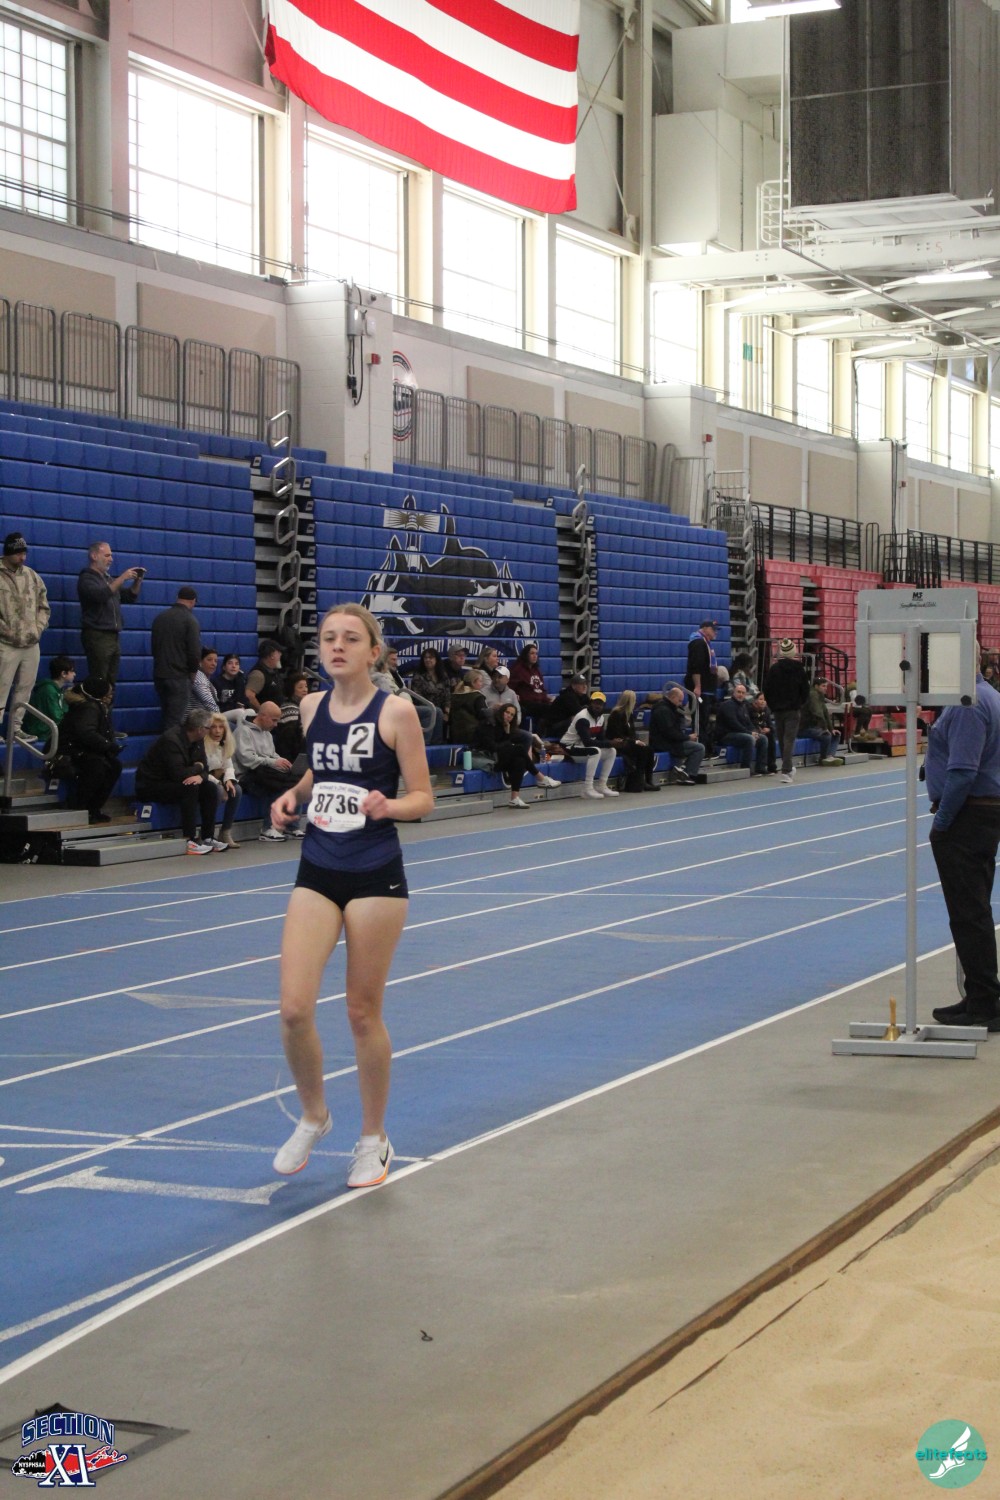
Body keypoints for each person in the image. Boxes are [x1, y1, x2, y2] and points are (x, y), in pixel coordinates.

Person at [269, 602, 433, 1186]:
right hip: (318, 865)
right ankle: (315, 1115)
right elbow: (323, 769)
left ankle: (373, 1139)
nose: (337, 646)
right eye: (328, 638)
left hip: (374, 873)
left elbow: (424, 796)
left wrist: (391, 806)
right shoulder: (312, 707)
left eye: (350, 639)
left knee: (362, 1012)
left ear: (373, 652)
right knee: (293, 1009)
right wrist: (294, 795)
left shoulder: (396, 712)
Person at [926, 666, 1000, 1033]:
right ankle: (980, 994)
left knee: (968, 914)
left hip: (967, 817)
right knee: (974, 910)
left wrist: (942, 824)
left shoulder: (967, 704)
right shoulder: (989, 696)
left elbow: (963, 771)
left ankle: (985, 1002)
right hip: (982, 813)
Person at [134, 706, 221, 855]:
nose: (210, 731)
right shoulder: (171, 740)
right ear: (200, 729)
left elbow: (205, 767)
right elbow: (178, 774)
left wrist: (201, 776)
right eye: (209, 728)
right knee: (190, 787)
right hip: (151, 785)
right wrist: (198, 768)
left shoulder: (198, 740)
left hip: (174, 781)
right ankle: (189, 839)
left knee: (210, 788)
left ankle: (208, 837)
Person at [0, 531, 50, 742]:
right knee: (1, 686)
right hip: (5, 643)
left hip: (31, 644)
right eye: (18, 553)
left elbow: (44, 606)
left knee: (25, 688)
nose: (23, 557)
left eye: (24, 553)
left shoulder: (32, 576)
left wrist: (37, 629)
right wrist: (5, 630)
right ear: (8, 552)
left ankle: (15, 729)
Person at [232, 700, 303, 841]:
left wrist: (282, 761)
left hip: (263, 772)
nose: (276, 725)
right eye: (274, 720)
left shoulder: (267, 734)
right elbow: (247, 759)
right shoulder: (243, 731)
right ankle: (267, 828)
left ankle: (291, 826)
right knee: (276, 783)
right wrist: (273, 762)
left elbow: (272, 755)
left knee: (296, 781)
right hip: (246, 775)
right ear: (263, 716)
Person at [77, 540, 143, 687]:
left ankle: (108, 702)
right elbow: (101, 595)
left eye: (111, 555)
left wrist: (137, 581)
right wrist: (122, 578)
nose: (111, 559)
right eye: (107, 555)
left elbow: (129, 597)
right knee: (99, 679)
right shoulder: (87, 579)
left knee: (111, 680)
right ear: (94, 556)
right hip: (97, 635)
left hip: (113, 636)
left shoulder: (108, 579)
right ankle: (98, 702)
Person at [61, 675, 122, 824]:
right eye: (108, 693)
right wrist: (108, 745)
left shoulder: (97, 707)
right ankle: (81, 807)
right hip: (70, 751)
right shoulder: (89, 708)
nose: (111, 696)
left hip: (85, 748)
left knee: (113, 765)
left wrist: (109, 746)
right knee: (97, 767)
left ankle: (93, 809)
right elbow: (86, 733)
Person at [150, 586, 200, 729]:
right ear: (193, 601)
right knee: (175, 721)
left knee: (166, 716)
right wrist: (193, 672)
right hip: (179, 677)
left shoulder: (160, 618)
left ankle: (166, 741)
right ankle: (171, 743)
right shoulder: (190, 620)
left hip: (160, 674)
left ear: (177, 598)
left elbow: (154, 647)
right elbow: (194, 652)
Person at [763, 638, 810, 785]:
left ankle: (787, 767)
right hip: (793, 709)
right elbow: (805, 689)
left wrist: (772, 705)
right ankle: (786, 770)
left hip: (778, 710)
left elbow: (767, 689)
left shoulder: (774, 669)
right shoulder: (798, 668)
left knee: (782, 738)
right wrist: (799, 703)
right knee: (789, 739)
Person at [561, 689, 618, 799]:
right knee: (595, 751)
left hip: (581, 746)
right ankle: (587, 788)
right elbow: (587, 742)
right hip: (568, 748)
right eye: (595, 703)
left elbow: (601, 739)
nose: (597, 706)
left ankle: (602, 785)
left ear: (604, 705)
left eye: (600, 704)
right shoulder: (583, 718)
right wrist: (610, 743)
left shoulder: (601, 718)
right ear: (590, 703)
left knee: (612, 751)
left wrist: (613, 744)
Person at [649, 683, 706, 785]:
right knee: (699, 748)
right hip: (665, 742)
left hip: (669, 740)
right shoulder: (663, 710)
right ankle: (688, 773)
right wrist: (687, 737)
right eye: (679, 701)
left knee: (696, 746)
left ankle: (684, 770)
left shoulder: (670, 708)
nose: (680, 703)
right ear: (673, 697)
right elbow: (669, 732)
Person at [204, 712, 242, 848]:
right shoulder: (202, 745)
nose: (218, 731)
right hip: (206, 780)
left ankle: (225, 831)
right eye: (214, 727)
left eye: (221, 727)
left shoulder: (224, 744)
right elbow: (203, 772)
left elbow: (228, 766)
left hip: (219, 778)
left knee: (236, 790)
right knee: (218, 790)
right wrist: (219, 783)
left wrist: (228, 780)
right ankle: (208, 833)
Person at [605, 690, 657, 792]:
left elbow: (632, 733)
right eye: (634, 700)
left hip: (628, 743)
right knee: (642, 750)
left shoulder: (629, 715)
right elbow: (617, 734)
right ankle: (639, 780)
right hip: (618, 743)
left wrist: (636, 741)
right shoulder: (616, 714)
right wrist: (634, 742)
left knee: (649, 749)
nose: (636, 702)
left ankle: (648, 780)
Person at [24, 654, 76, 749]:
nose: (74, 674)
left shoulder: (58, 690)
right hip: (41, 731)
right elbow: (57, 716)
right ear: (63, 674)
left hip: (48, 728)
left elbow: (64, 712)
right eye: (72, 671)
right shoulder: (48, 690)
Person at [716, 681, 769, 773]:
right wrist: (750, 733)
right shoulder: (727, 705)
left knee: (763, 739)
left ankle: (760, 767)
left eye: (743, 693)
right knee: (749, 738)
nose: (740, 695)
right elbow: (733, 724)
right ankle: (746, 768)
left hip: (740, 733)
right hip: (726, 735)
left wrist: (755, 731)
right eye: (738, 692)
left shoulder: (744, 706)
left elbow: (748, 722)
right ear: (734, 693)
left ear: (745, 695)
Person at [684, 618, 719, 750]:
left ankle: (704, 747)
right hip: (701, 690)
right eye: (713, 629)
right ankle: (699, 748)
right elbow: (696, 667)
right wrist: (697, 686)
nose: (715, 632)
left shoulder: (705, 643)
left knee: (704, 719)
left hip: (707, 689)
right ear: (705, 628)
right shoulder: (698, 643)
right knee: (699, 720)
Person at [799, 678, 844, 766]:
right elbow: (817, 713)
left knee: (835, 734)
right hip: (803, 728)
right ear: (816, 686)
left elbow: (825, 713)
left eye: (826, 686)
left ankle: (830, 756)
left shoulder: (820, 695)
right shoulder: (812, 695)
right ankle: (823, 758)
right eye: (823, 686)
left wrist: (831, 729)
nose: (826, 688)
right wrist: (825, 728)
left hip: (813, 727)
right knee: (826, 735)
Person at [409, 647, 452, 734]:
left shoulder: (443, 675)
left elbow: (447, 695)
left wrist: (447, 711)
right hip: (425, 708)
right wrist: (433, 708)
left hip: (441, 709)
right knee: (436, 712)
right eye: (425, 658)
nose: (427, 660)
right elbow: (417, 696)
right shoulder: (418, 675)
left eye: (430, 657)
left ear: (436, 660)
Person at [507, 643, 552, 727]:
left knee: (555, 707)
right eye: (532, 653)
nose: (535, 656)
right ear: (526, 655)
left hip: (538, 702)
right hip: (526, 703)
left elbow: (541, 688)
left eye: (536, 654)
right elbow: (510, 687)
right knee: (548, 709)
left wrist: (547, 698)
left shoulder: (536, 670)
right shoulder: (518, 669)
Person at [273, 672, 312, 761]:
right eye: (300, 687)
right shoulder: (289, 708)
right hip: (288, 754)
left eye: (306, 686)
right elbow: (292, 736)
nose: (305, 690)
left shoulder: (303, 706)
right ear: (291, 689)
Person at [449, 669, 491, 746]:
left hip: (455, 735)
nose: (482, 684)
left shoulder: (455, 696)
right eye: (480, 681)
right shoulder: (478, 697)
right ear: (473, 682)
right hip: (473, 736)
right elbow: (484, 717)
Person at [548, 673, 591, 739]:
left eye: (585, 684)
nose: (584, 686)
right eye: (581, 684)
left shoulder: (581, 695)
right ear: (573, 686)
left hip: (564, 724)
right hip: (555, 727)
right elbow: (579, 713)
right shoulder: (568, 696)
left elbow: (591, 707)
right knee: (577, 718)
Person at [245, 641, 284, 713]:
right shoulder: (258, 674)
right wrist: (263, 712)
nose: (280, 655)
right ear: (272, 655)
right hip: (267, 717)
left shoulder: (274, 672)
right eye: (278, 652)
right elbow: (249, 696)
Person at [748, 691, 778, 775]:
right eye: (761, 699)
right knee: (763, 738)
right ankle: (759, 767)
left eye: (764, 700)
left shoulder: (766, 710)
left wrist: (769, 729)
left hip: (762, 732)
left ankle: (771, 766)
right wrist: (757, 730)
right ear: (755, 700)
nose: (763, 701)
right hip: (752, 731)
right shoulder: (749, 709)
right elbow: (748, 723)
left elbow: (771, 724)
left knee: (771, 736)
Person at [191, 647, 220, 713]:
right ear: (200, 662)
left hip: (206, 715)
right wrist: (220, 717)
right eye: (209, 660)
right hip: (196, 718)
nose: (213, 664)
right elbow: (209, 704)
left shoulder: (205, 678)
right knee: (239, 713)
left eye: (215, 661)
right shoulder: (198, 678)